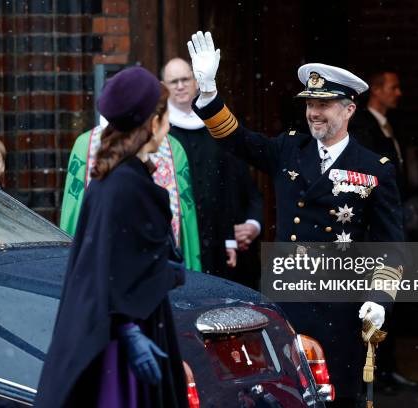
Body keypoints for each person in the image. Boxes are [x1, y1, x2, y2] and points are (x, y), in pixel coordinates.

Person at [187, 31, 404, 407]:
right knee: (283, 395)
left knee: (336, 396)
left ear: (349, 109)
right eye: (310, 104)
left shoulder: (374, 168)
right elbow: (236, 139)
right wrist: (209, 94)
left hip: (340, 308)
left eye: (325, 104)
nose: (314, 113)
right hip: (287, 303)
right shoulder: (290, 148)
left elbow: (392, 246)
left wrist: (380, 297)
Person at [36, 67, 188, 408]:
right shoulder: (122, 186)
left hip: (130, 327)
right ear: (151, 122)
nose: (169, 125)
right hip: (120, 342)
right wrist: (129, 331)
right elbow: (106, 270)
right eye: (164, 117)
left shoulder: (122, 179)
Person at [350, 71, 418, 393]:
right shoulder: (364, 126)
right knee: (373, 298)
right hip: (372, 227)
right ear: (377, 91)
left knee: (389, 296)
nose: (399, 93)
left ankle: (387, 368)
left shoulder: (390, 125)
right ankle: (373, 371)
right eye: (393, 87)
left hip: (392, 220)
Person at [162, 57, 263, 283]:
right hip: (181, 241)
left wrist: (249, 226)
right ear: (164, 87)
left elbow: (245, 188)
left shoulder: (218, 126)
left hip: (221, 240)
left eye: (185, 79)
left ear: (196, 82)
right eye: (173, 81)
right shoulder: (160, 133)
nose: (180, 86)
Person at [60, 112, 202, 272]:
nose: (168, 126)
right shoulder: (87, 146)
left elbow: (183, 219)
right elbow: (75, 214)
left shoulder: (173, 148)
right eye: (162, 119)